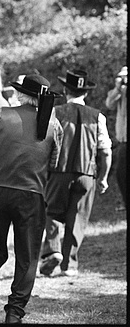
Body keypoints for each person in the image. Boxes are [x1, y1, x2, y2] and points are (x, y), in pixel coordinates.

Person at [0, 74, 63, 324]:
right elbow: (54, 162)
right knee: (27, 256)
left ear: (19, 94)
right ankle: (15, 312)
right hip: (32, 196)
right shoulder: (54, 125)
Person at [39, 69, 112, 278]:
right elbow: (105, 151)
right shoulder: (98, 117)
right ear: (86, 94)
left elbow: (43, 143)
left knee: (51, 211)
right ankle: (69, 265)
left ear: (64, 90)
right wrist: (104, 178)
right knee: (77, 217)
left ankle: (52, 250)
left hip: (57, 172)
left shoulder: (55, 112)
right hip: (86, 175)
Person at [105, 66, 127, 209]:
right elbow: (109, 104)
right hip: (123, 141)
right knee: (122, 175)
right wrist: (118, 88)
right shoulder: (121, 92)